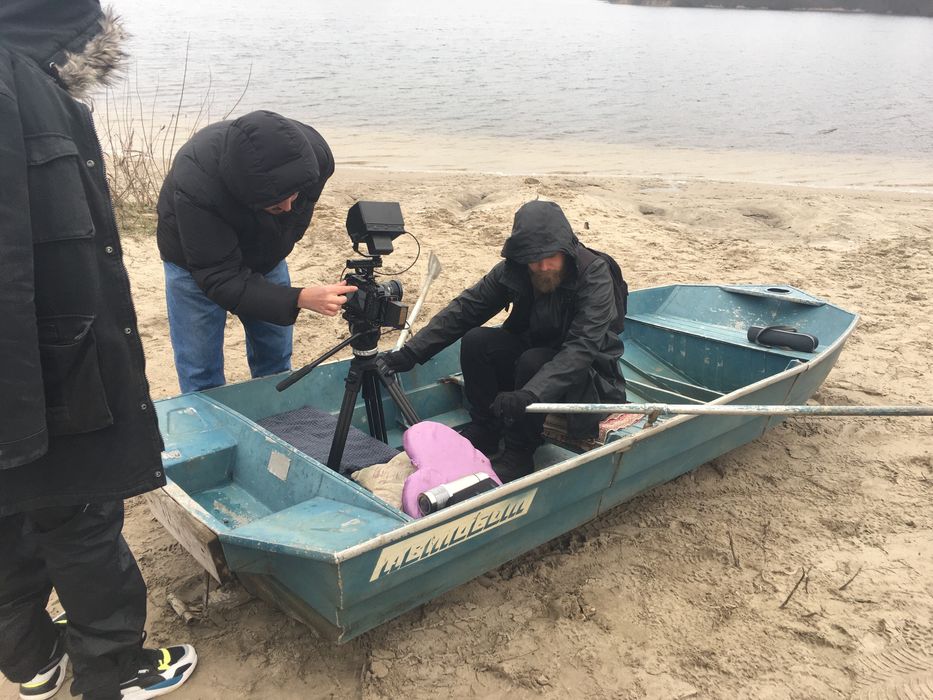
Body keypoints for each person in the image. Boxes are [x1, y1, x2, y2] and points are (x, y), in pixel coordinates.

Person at [0, 2, 197, 699]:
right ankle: (112, 671)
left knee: (10, 509)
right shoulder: (16, 88)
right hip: (49, 369)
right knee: (80, 513)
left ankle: (29, 659)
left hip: (33, 365)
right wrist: (21, 420)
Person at [383, 200, 627, 482]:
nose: (545, 267)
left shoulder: (594, 274)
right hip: (534, 357)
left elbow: (582, 349)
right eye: (535, 260)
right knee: (477, 341)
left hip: (589, 377)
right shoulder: (515, 270)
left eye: (552, 258)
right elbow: (465, 310)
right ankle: (486, 427)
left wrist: (531, 393)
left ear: (567, 251)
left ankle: (520, 452)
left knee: (532, 361)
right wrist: (411, 353)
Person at [156, 109, 356, 393]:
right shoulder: (198, 183)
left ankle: (275, 423)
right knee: (200, 371)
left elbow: (294, 216)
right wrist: (298, 297)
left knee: (275, 359)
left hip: (265, 256)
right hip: (193, 261)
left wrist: (279, 247)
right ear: (243, 196)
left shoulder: (315, 157)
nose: (288, 209)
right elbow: (219, 277)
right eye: (276, 205)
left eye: (294, 197)